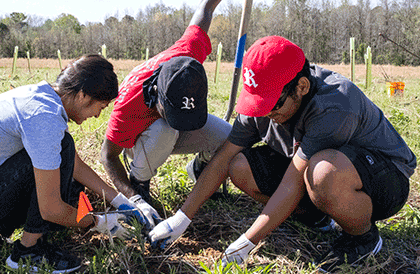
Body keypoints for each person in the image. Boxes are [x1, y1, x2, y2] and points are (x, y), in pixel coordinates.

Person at [149, 36, 416, 273]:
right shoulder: (263, 99)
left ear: (301, 86)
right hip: (314, 171)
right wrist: (181, 218)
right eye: (258, 102)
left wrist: (247, 242)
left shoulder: (334, 105)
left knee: (323, 172)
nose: (264, 113)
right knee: (239, 166)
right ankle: (317, 217)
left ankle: (363, 238)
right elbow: (222, 158)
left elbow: (293, 181)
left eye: (272, 104)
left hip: (383, 180)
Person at [0, 54, 149, 273]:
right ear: (82, 96)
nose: (97, 116)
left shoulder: (42, 97)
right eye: (101, 107)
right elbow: (50, 209)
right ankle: (27, 251)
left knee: (69, 176)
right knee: (63, 153)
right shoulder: (43, 117)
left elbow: (75, 166)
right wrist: (97, 223)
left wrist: (123, 202)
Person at [100, 0, 232, 228]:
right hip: (142, 139)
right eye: (171, 111)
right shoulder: (129, 105)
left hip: (166, 129)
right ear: (156, 95)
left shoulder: (187, 58)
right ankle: (141, 180)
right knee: (165, 128)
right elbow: (107, 155)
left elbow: (205, 10)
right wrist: (134, 198)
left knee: (229, 137)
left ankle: (200, 168)